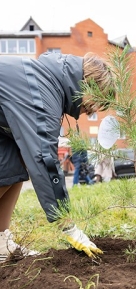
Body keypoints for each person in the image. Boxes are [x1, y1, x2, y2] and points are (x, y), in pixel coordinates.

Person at [0, 51, 114, 261]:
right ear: (88, 84)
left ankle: (0, 243)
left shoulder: (48, 79)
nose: (92, 111)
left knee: (10, 168)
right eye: (97, 101)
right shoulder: (44, 95)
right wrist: (68, 226)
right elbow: (44, 160)